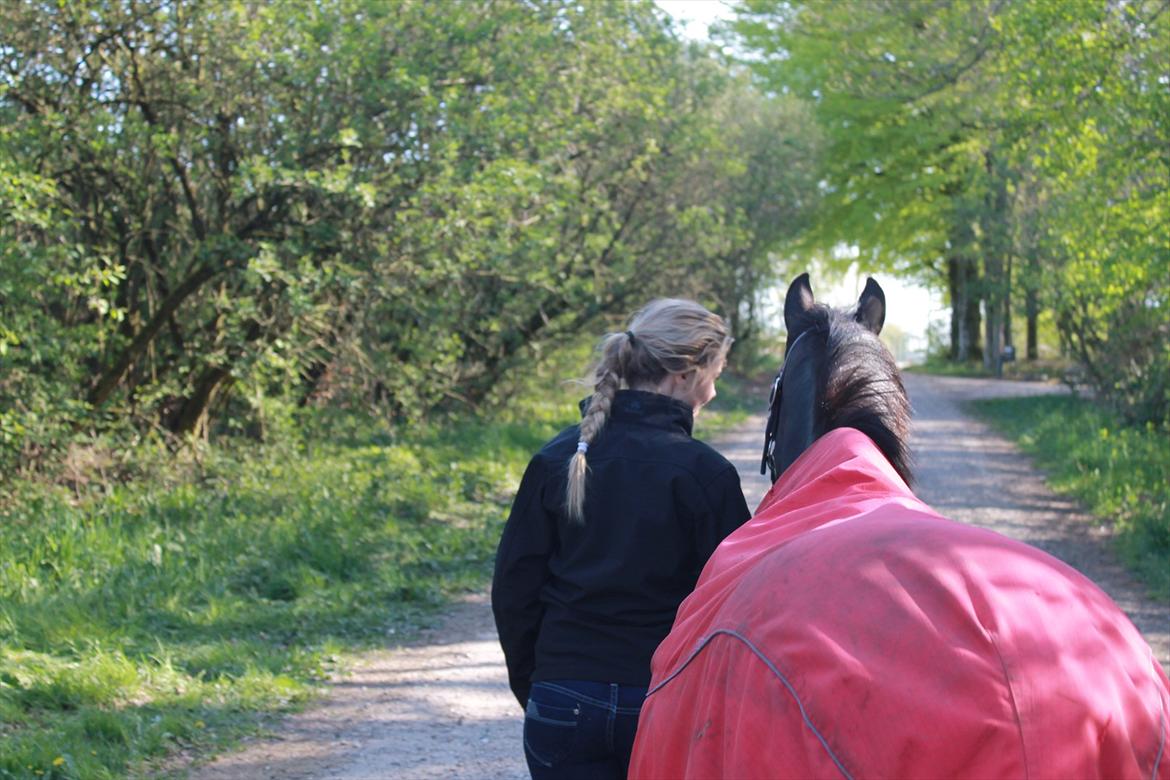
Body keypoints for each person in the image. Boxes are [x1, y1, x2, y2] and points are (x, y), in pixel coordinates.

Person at [491, 298, 752, 780]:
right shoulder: (705, 475)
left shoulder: (555, 459)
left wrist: (539, 688)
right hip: (662, 701)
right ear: (685, 373)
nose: (714, 391)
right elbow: (736, 608)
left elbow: (514, 592)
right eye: (715, 373)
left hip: (561, 699)